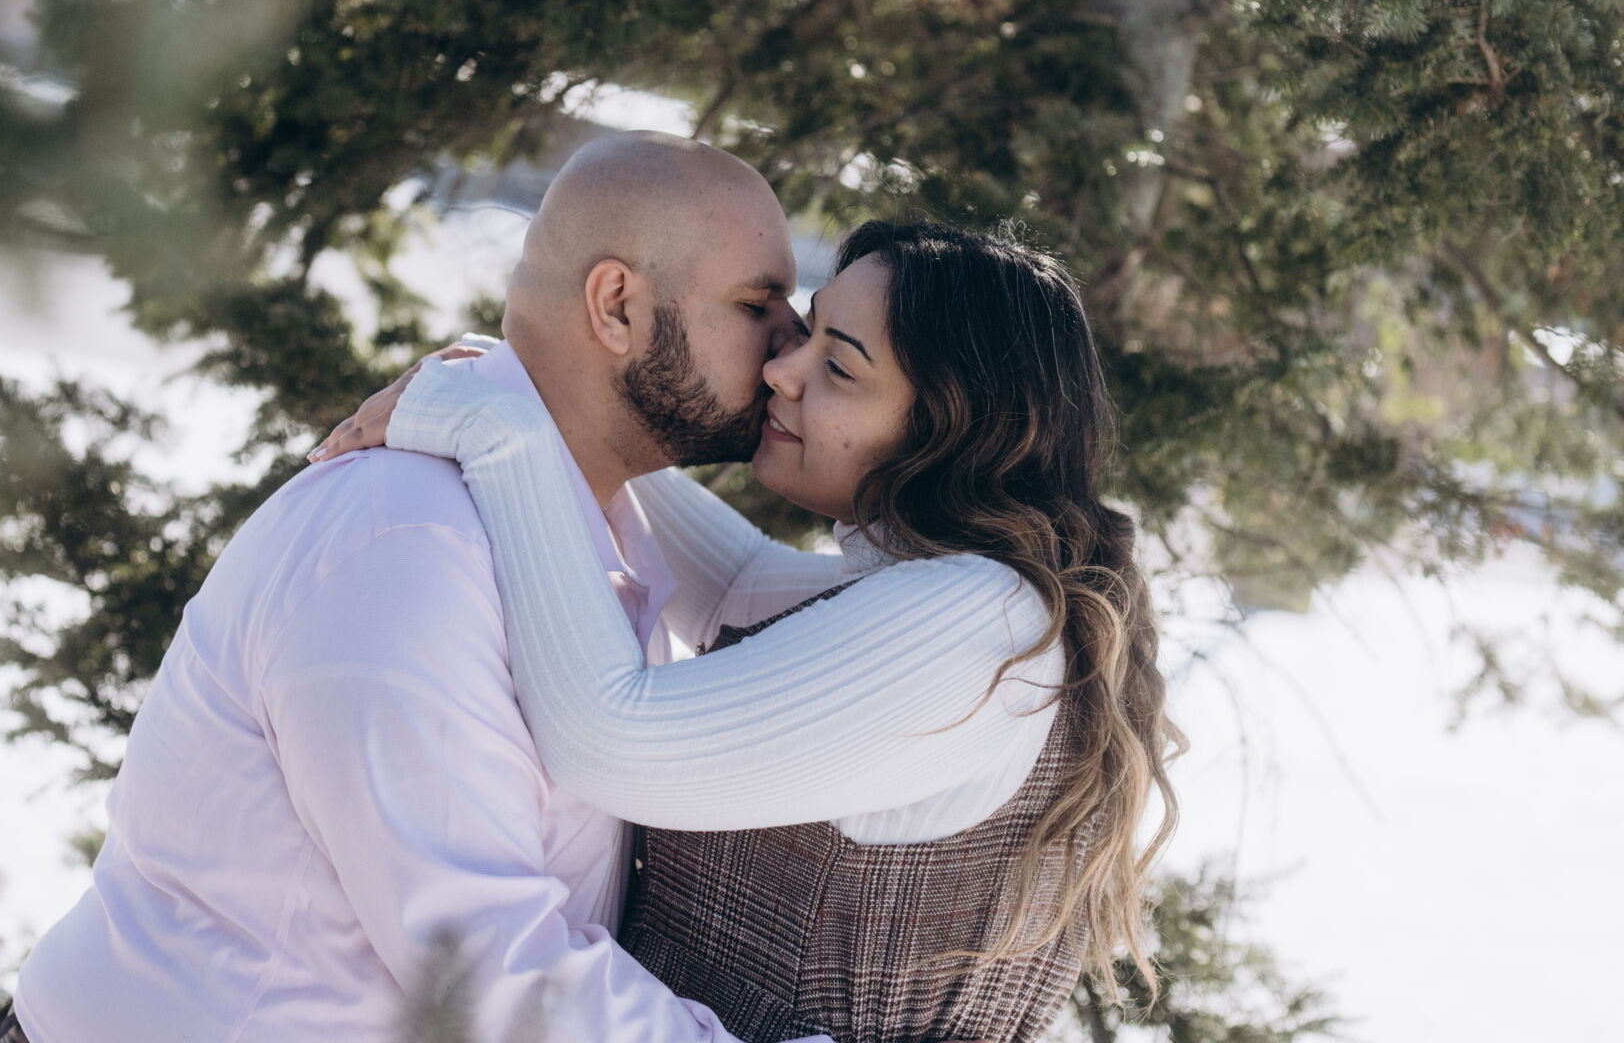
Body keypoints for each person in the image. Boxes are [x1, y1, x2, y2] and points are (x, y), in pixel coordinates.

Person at [0, 131, 832, 1043]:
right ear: (616, 306)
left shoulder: (585, 528)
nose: (792, 349)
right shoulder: (409, 545)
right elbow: (487, 966)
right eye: (759, 305)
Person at [313, 220, 1183, 1043]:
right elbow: (734, 587)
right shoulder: (971, 601)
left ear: (952, 428)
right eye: (805, 331)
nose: (782, 371)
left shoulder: (984, 623)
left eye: (837, 366)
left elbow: (608, 741)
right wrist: (527, 385)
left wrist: (499, 432)